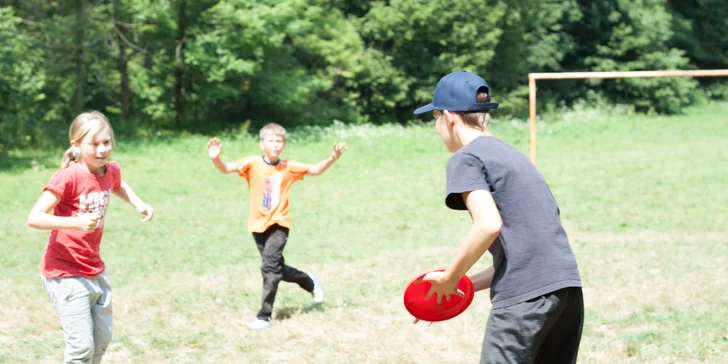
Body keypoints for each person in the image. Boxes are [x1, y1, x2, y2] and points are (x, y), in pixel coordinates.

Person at [413, 71, 583, 363]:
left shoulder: (467, 158)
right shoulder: (512, 155)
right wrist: (456, 286)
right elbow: (527, 253)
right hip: (565, 292)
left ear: (449, 117)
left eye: (435, 119)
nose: (437, 128)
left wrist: (450, 276)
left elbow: (488, 224)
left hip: (524, 299)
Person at [27, 111, 154, 364]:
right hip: (63, 272)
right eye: (93, 144)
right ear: (76, 145)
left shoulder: (109, 170)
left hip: (94, 268)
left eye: (106, 142)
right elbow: (34, 218)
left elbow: (117, 182)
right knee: (81, 348)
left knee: (101, 342)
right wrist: (76, 222)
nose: (101, 149)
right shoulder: (68, 177)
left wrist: (139, 203)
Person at [206, 123, 347, 331]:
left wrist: (333, 157)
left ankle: (264, 316)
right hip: (257, 224)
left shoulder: (288, 167)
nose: (275, 144)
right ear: (262, 143)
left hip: (279, 223)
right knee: (277, 268)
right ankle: (310, 282)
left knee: (269, 269)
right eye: (271, 141)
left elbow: (315, 170)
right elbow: (226, 168)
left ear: (284, 144)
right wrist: (215, 157)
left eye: (279, 141)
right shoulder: (252, 163)